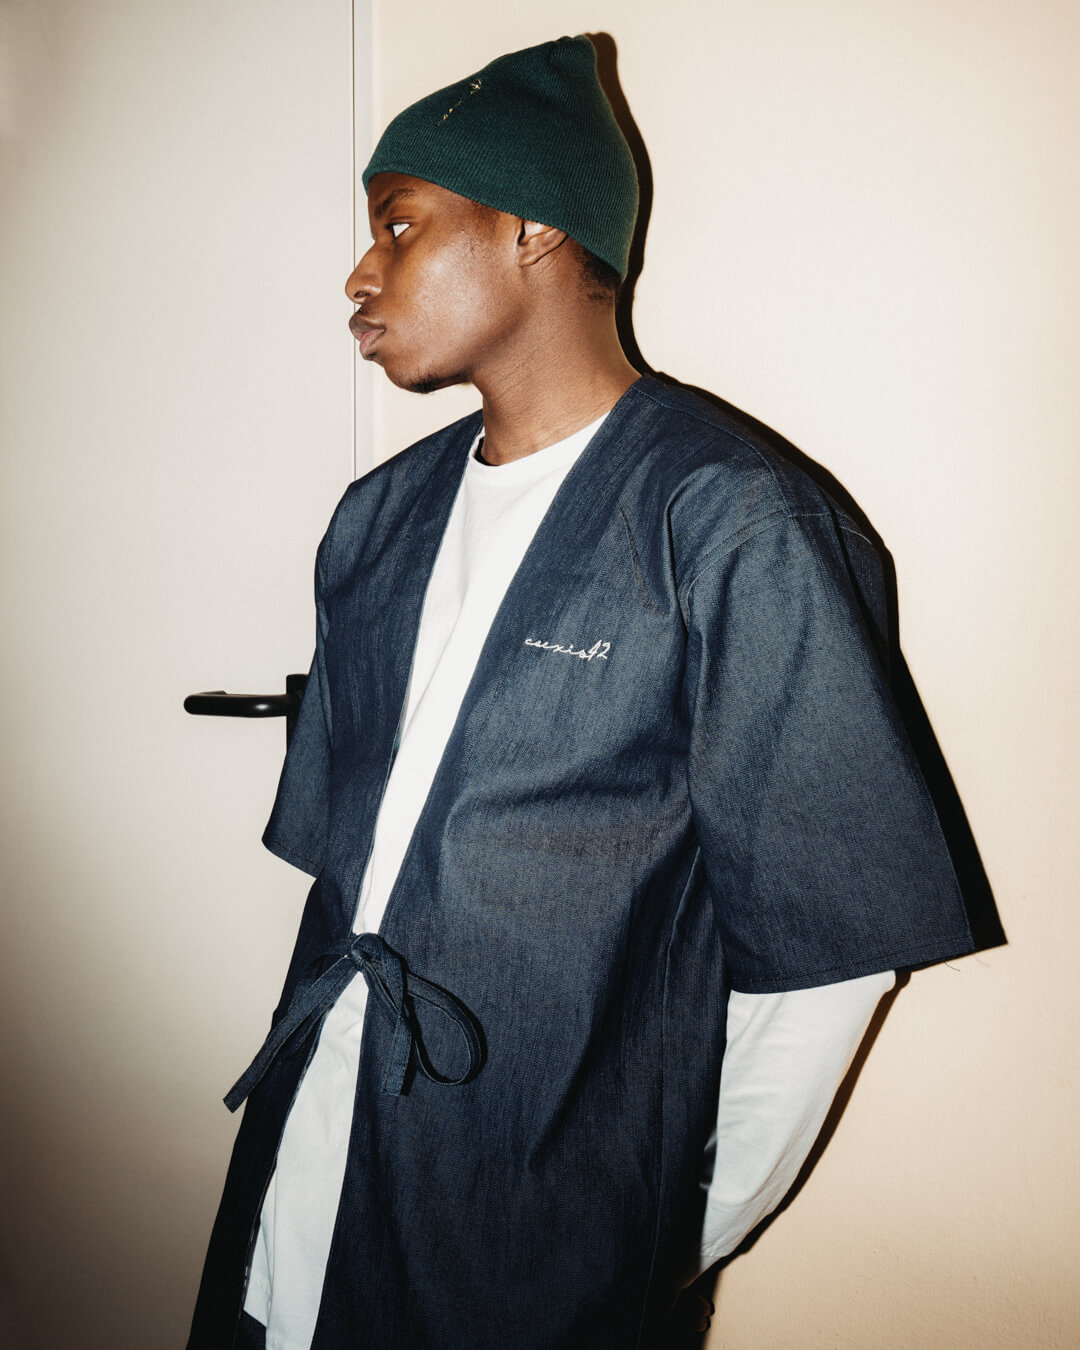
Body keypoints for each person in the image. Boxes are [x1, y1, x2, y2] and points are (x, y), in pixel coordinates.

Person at [187, 36, 974, 1350]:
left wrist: (662, 1233)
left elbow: (827, 968)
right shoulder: (377, 520)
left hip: (542, 1229)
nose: (360, 274)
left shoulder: (729, 524)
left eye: (399, 225)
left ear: (536, 228)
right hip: (312, 1159)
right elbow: (356, 886)